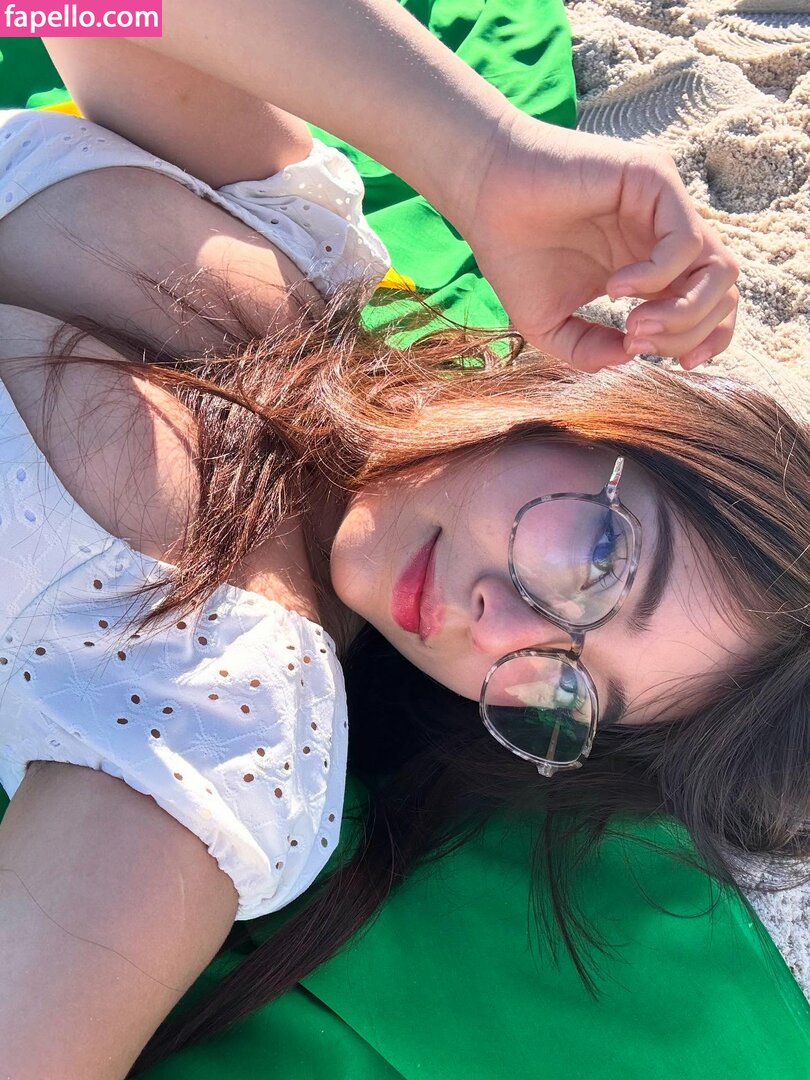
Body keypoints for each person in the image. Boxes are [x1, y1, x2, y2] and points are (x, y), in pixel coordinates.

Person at [0, 5, 805, 1078]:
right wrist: (479, 157)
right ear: (598, 416)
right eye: (598, 562)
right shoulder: (302, 240)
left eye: (567, 689)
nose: (503, 632)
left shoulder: (220, 714)